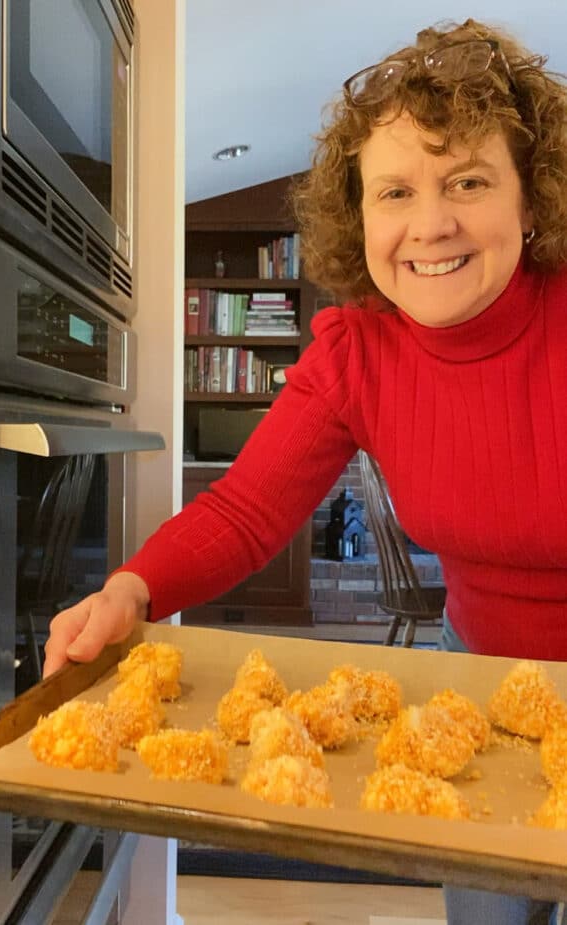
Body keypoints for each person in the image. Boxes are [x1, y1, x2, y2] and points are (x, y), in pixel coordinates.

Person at [43, 17, 567, 925]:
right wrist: (132, 587)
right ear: (359, 216)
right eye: (394, 190)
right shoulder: (355, 352)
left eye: (469, 181)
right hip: (474, 680)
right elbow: (245, 508)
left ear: (531, 200)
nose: (430, 224)